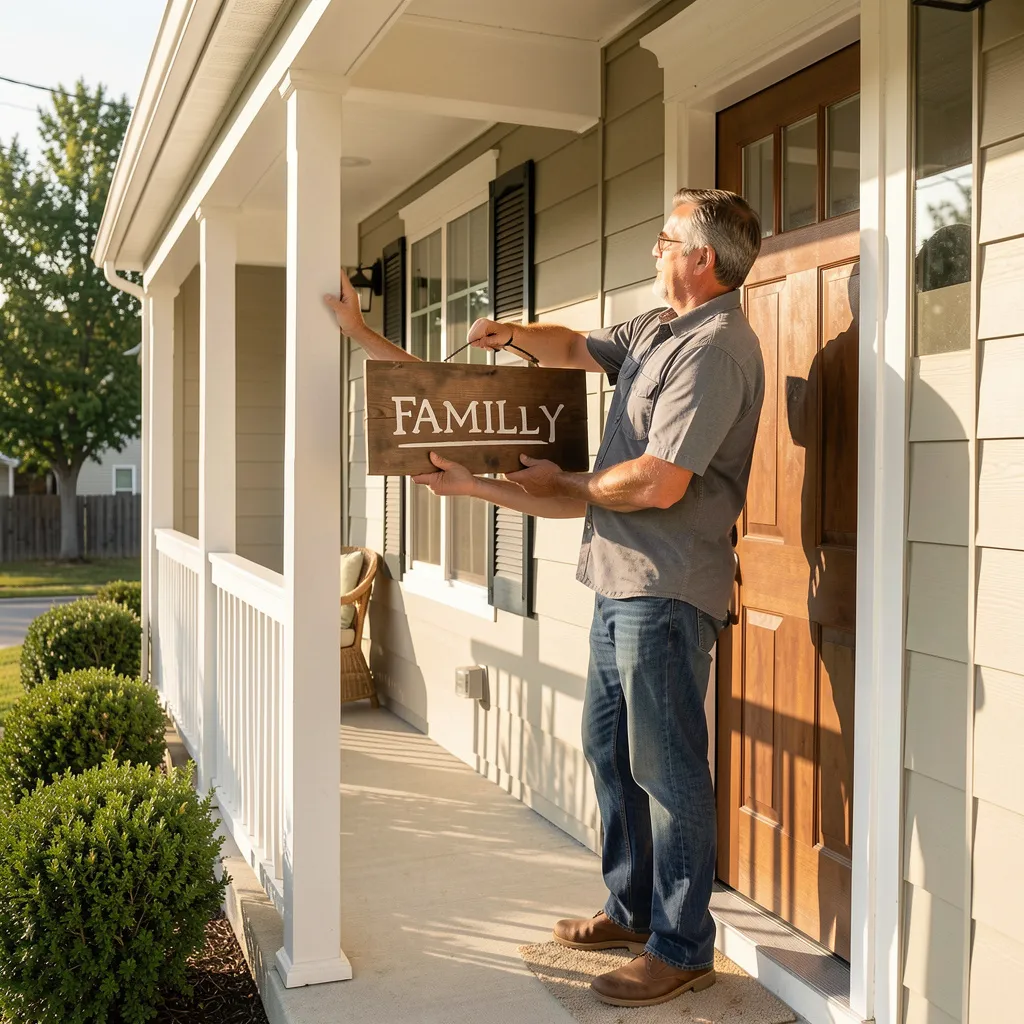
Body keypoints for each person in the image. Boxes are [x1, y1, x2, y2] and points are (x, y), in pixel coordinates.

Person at [325, 187, 764, 1009]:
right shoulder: (660, 330)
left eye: (666, 239)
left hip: (666, 590)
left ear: (702, 260)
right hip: (616, 581)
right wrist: (511, 338)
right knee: (611, 753)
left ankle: (681, 944)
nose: (655, 250)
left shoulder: (717, 350)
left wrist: (562, 481)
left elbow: (659, 481)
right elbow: (573, 349)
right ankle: (633, 911)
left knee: (668, 772)